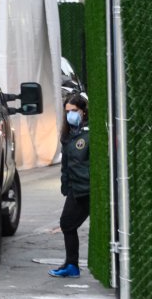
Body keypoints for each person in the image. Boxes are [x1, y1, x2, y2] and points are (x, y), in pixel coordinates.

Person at [50, 93, 90, 278]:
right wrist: (65, 185)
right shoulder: (67, 135)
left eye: (74, 111)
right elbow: (65, 164)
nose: (70, 115)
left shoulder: (89, 134)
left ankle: (72, 265)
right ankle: (71, 265)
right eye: (67, 111)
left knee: (68, 223)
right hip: (75, 189)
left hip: (88, 189)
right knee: (67, 223)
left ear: (83, 111)